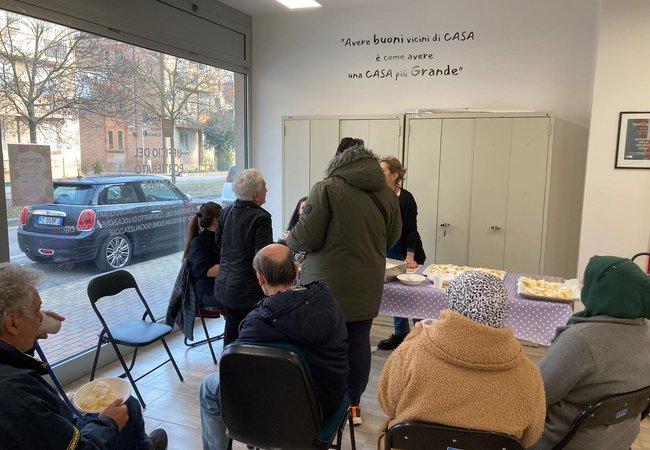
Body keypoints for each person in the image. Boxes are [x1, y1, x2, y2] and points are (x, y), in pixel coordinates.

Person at [286, 137, 402, 425]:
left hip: (325, 286)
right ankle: (354, 408)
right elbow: (392, 237)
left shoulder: (326, 188)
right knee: (358, 345)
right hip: (367, 284)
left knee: (323, 345)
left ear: (337, 162)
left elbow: (306, 238)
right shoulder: (388, 194)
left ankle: (323, 405)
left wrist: (293, 235)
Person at [0, 263, 167, 450]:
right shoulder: (19, 397)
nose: (41, 317)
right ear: (12, 323)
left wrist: (29, 332)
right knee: (127, 406)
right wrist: (109, 423)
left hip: (53, 431)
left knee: (125, 406)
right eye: (37, 311)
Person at [199, 243, 348, 450]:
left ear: (260, 278)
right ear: (295, 269)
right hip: (324, 405)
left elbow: (236, 376)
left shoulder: (257, 324)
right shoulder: (327, 301)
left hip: (276, 411)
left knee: (209, 386)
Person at [378, 271, 546, 448]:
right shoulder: (529, 375)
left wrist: (414, 336)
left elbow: (387, 404)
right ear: (504, 310)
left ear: (452, 303)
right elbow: (531, 436)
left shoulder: (411, 352)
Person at [530, 255, 650, 450]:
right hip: (618, 440)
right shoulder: (646, 331)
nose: (582, 287)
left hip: (565, 442)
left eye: (586, 282)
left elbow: (535, 394)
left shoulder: (581, 340)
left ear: (603, 292)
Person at [214, 168, 273, 345]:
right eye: (264, 186)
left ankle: (228, 360)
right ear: (256, 195)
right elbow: (262, 257)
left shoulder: (226, 212)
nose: (267, 190)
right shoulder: (261, 218)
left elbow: (219, 243)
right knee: (252, 332)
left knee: (232, 330)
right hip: (249, 290)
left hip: (225, 286)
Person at [377, 155, 426, 351]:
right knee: (396, 296)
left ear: (395, 175)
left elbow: (411, 229)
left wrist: (410, 256)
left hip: (408, 252)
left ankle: (420, 336)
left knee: (412, 296)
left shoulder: (406, 198)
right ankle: (400, 334)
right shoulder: (377, 196)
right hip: (388, 252)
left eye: (382, 171)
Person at [184, 201, 223, 307]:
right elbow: (209, 271)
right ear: (216, 221)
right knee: (242, 298)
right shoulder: (198, 243)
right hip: (208, 291)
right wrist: (237, 266)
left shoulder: (222, 238)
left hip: (223, 285)